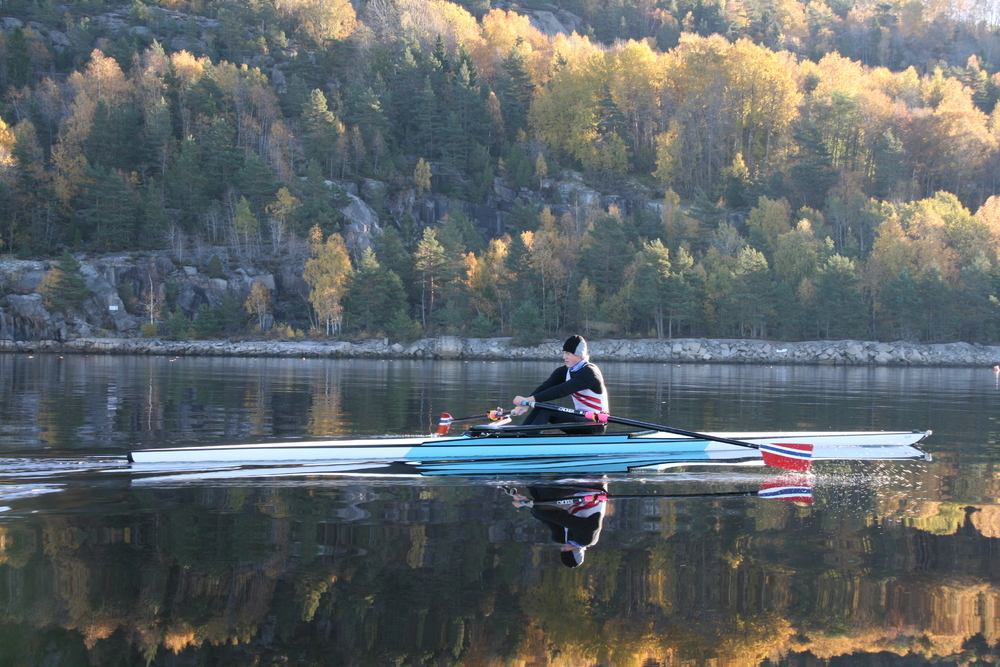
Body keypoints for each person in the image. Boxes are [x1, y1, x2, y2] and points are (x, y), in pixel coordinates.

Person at [511, 335, 609, 434]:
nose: (564, 357)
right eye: (564, 353)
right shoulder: (564, 371)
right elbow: (546, 386)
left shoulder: (590, 372)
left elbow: (561, 390)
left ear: (579, 354)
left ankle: (526, 440)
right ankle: (519, 435)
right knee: (541, 406)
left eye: (568, 353)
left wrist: (528, 401)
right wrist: (526, 404)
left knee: (547, 409)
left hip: (596, 424)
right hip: (582, 419)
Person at [508, 485, 607, 568]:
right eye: (565, 551)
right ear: (576, 552)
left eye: (562, 552)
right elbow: (561, 517)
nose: (562, 549)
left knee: (542, 497)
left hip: (579, 493)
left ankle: (530, 480)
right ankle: (541, 474)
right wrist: (531, 504)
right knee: (547, 494)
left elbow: (547, 520)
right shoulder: (587, 539)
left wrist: (526, 503)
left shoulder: (563, 538)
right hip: (593, 490)